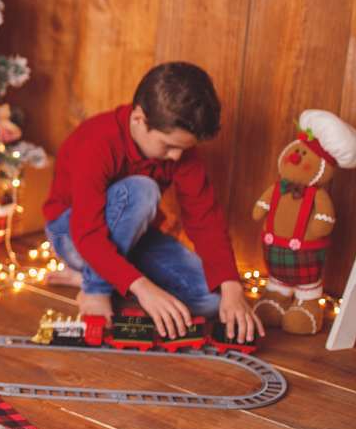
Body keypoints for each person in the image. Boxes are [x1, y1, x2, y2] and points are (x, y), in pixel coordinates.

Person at [42, 62, 263, 343]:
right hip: (73, 235)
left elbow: (205, 219)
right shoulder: (98, 141)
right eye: (169, 146)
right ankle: (96, 287)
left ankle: (98, 277)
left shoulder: (181, 151)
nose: (176, 157)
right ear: (139, 120)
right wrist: (144, 288)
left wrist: (232, 290)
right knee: (142, 190)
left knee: (211, 299)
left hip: (134, 237)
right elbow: (86, 232)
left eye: (184, 148)